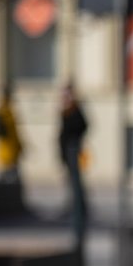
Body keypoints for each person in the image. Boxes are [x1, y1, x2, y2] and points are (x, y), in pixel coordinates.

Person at [57, 83, 89, 246]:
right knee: (71, 181)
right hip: (67, 152)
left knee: (76, 181)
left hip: (74, 151)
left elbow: (83, 126)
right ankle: (73, 206)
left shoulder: (75, 109)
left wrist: (74, 141)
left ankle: (80, 208)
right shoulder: (65, 109)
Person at [0, 85, 24, 183]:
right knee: (8, 182)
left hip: (12, 152)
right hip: (7, 153)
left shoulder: (9, 111)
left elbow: (15, 133)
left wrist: (20, 146)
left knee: (12, 181)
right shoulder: (3, 112)